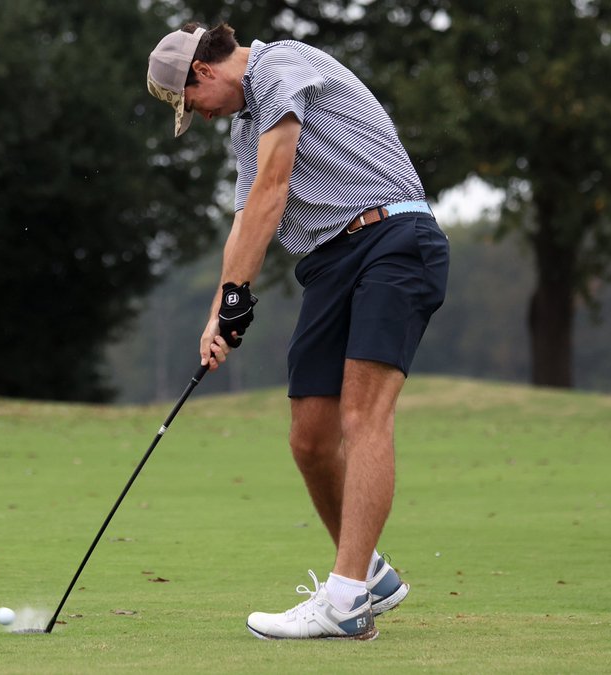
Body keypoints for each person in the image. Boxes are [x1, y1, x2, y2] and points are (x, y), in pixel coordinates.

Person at [147, 23, 449, 640]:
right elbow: (245, 221)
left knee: (363, 417)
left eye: (192, 106)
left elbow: (274, 188)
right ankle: (372, 576)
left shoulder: (284, 64)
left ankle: (344, 602)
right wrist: (219, 313)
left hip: (392, 239)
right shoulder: (244, 129)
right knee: (310, 437)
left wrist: (240, 294)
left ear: (203, 73)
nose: (200, 118)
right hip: (330, 264)